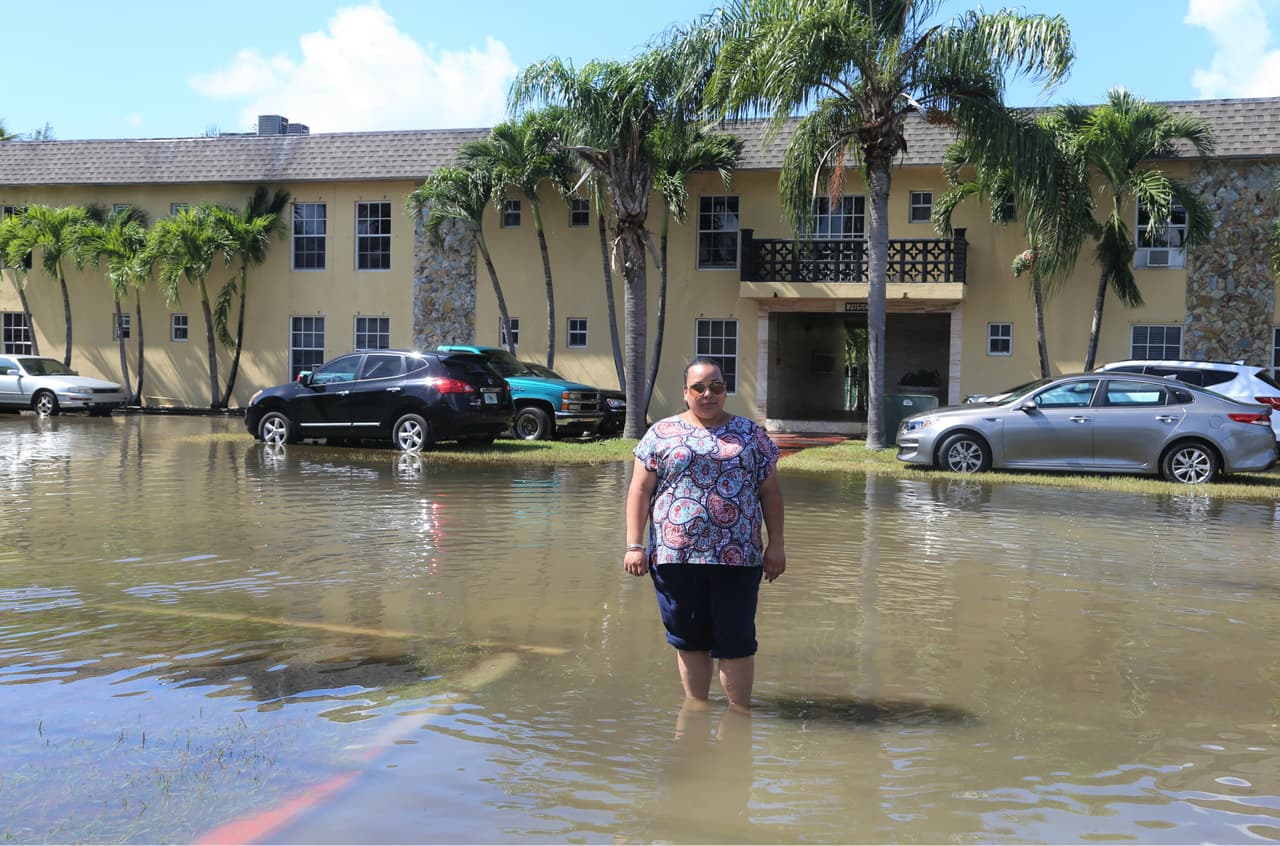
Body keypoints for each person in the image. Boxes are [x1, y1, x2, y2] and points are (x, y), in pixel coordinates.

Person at [624, 357, 786, 710]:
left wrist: (777, 545)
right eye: (699, 387)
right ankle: (697, 712)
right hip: (675, 557)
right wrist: (635, 545)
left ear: (725, 391)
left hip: (738, 557)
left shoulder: (751, 434)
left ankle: (739, 716)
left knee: (737, 640)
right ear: (685, 393)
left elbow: (770, 492)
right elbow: (639, 490)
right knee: (689, 639)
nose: (708, 393)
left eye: (716, 386)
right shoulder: (660, 434)